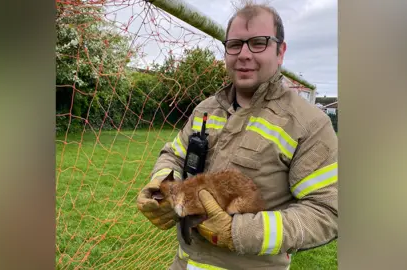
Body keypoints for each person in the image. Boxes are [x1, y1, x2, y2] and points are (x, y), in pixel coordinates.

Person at [136, 2, 338, 269]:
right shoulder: (205, 110)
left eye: (258, 42)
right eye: (235, 44)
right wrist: (160, 185)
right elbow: (174, 155)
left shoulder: (309, 124)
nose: (243, 54)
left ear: (281, 51)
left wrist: (238, 231)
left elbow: (327, 211)